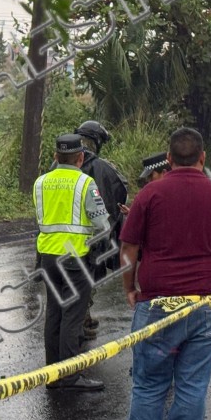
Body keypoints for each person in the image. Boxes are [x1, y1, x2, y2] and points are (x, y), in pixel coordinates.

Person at [108, 127, 211, 420]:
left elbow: (129, 247)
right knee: (192, 385)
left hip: (157, 304)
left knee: (149, 384)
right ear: (203, 157)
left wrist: (129, 286)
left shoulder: (150, 194)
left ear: (168, 159)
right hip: (206, 306)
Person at [34, 134, 110, 391]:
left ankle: (52, 375)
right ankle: (69, 376)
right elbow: (102, 225)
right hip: (75, 259)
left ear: (56, 157)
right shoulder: (85, 183)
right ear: (81, 158)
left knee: (54, 313)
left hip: (48, 257)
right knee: (72, 317)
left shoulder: (40, 182)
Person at [74, 121, 129, 339]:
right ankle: (77, 327)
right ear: (96, 141)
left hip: (61, 236)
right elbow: (119, 192)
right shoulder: (102, 167)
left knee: (76, 281)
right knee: (85, 279)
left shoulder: (59, 163)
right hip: (90, 235)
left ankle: (83, 318)